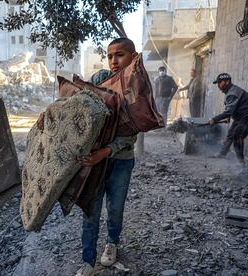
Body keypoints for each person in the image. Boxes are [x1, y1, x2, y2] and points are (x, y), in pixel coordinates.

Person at [75, 38, 138, 276]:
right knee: (91, 208)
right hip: (95, 160)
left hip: (121, 160)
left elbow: (131, 133)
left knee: (115, 208)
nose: (114, 61)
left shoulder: (136, 87)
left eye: (120, 55)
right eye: (110, 56)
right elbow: (78, 105)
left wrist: (105, 152)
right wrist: (51, 117)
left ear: (133, 56)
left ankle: (112, 243)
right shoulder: (101, 79)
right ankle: (88, 261)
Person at [209, 73, 248, 165]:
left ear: (227, 82)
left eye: (220, 82)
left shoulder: (232, 93)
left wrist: (214, 119)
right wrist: (228, 117)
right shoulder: (230, 91)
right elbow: (231, 108)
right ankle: (222, 154)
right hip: (241, 116)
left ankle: (241, 162)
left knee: (237, 136)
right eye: (218, 83)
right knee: (230, 134)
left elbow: (229, 111)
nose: (218, 85)